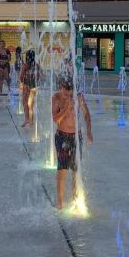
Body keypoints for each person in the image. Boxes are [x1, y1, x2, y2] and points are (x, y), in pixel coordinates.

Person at [51, 76, 93, 211]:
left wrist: (89, 132)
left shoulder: (78, 97)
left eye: (70, 92)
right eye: (65, 91)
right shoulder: (56, 98)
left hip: (76, 137)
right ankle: (60, 203)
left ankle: (75, 201)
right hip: (62, 137)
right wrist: (66, 108)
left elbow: (86, 114)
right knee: (62, 169)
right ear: (61, 88)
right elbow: (55, 119)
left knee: (76, 170)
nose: (67, 95)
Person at [20, 49, 38, 126]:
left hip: (26, 86)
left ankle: (26, 119)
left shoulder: (25, 65)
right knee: (31, 104)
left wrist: (24, 81)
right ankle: (31, 120)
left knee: (25, 102)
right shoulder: (36, 65)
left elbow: (20, 77)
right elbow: (40, 76)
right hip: (33, 86)